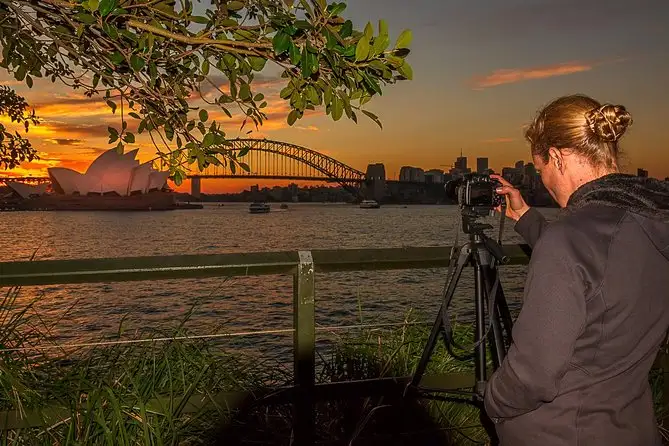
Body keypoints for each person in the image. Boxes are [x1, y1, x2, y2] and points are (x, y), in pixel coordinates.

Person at [483, 94, 669, 445]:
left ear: (557, 156)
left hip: (562, 433)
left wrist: (492, 401)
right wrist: (525, 217)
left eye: (541, 171)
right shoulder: (650, 221)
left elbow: (532, 376)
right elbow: (605, 265)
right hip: (630, 426)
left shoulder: (570, 240)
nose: (544, 182)